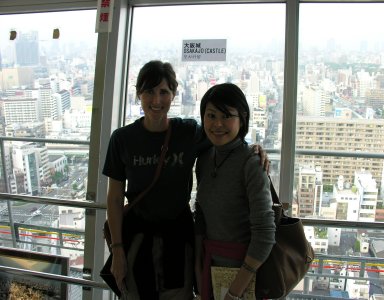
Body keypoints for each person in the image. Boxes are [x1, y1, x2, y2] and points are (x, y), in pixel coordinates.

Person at [102, 61, 267, 299]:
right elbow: (115, 198)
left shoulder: (188, 132)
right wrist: (117, 251)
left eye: (164, 92)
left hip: (178, 237)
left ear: (174, 94)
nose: (156, 100)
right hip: (136, 238)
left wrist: (253, 148)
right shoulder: (122, 139)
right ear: (138, 93)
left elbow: (222, 134)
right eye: (149, 91)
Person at [194, 83, 276, 300]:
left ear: (242, 119)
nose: (217, 124)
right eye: (211, 115)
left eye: (227, 116)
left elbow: (265, 234)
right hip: (209, 272)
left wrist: (234, 293)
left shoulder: (251, 164)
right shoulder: (204, 159)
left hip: (244, 280)